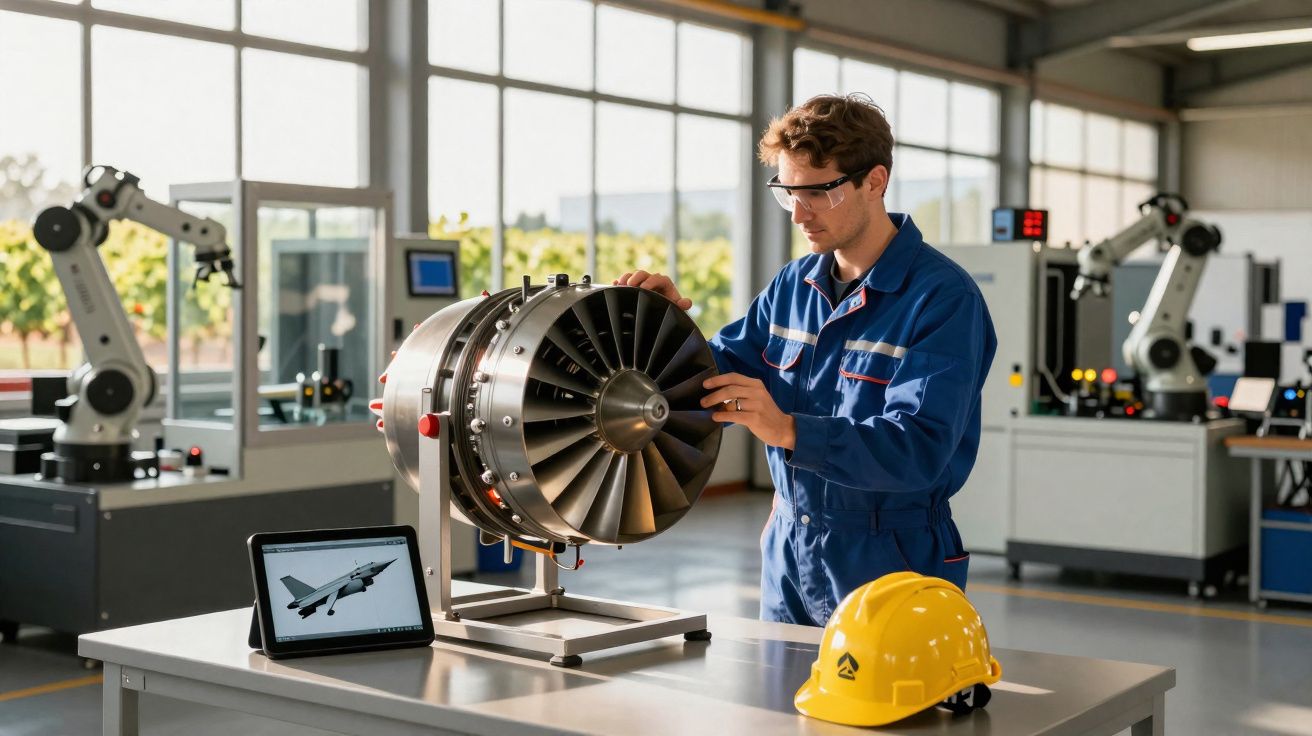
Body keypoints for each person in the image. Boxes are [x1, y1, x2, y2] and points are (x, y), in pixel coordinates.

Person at [615, 93, 997, 626]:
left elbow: (920, 448)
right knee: (781, 704)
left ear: (874, 181)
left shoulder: (942, 299)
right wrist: (660, 325)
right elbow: (712, 373)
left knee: (886, 708)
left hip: (893, 557)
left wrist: (791, 431)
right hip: (791, 550)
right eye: (787, 192)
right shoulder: (795, 285)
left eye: (818, 193)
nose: (799, 213)